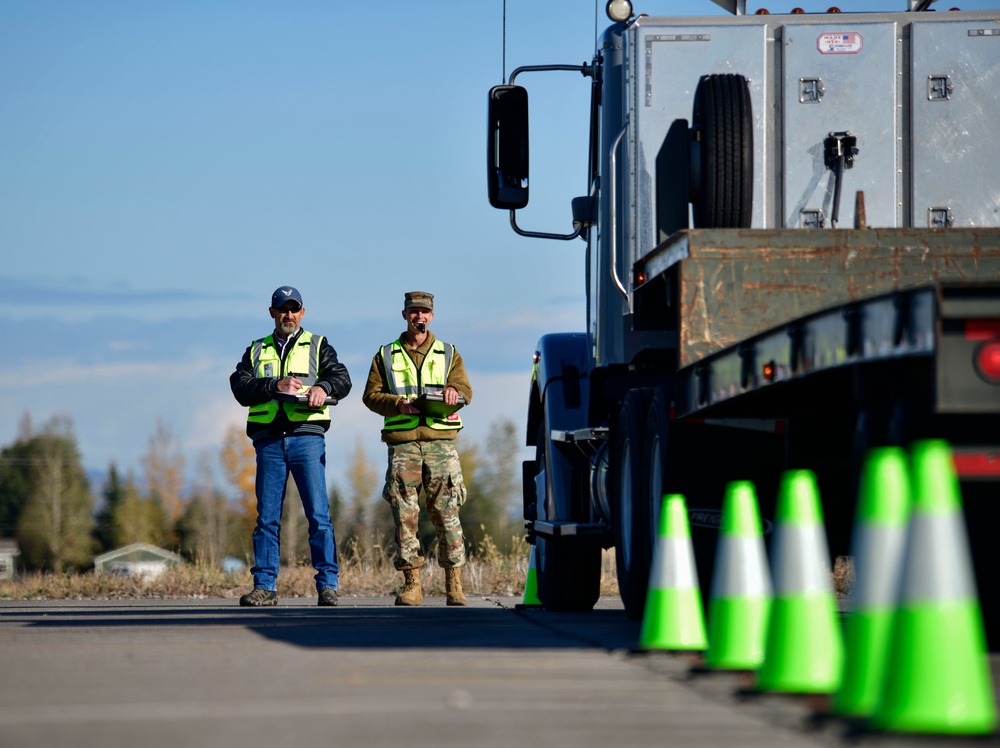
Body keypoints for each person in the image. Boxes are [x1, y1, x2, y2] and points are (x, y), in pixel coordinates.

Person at [230, 286, 352, 607]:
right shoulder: (256, 350)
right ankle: (265, 587)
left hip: (306, 438)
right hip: (269, 440)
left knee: (318, 516)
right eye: (282, 309)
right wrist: (273, 385)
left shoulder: (319, 346)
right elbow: (240, 386)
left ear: (302, 312)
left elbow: (342, 378)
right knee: (266, 519)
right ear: (271, 313)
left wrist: (323, 387)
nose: (288, 314)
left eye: (294, 308)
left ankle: (328, 585)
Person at [362, 291, 473, 606]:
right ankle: (412, 585)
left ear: (432, 316)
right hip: (403, 446)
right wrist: (399, 404)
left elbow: (466, 390)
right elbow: (371, 396)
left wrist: (453, 391)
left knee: (447, 513)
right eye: (413, 312)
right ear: (404, 315)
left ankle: (454, 584)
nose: (419, 317)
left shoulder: (448, 353)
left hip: (441, 445)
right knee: (404, 515)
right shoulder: (386, 355)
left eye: (424, 312)